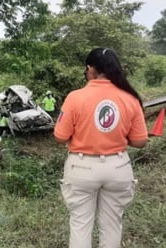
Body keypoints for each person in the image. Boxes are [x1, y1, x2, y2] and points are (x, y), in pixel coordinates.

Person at [53, 47, 148, 248]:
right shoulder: (130, 98)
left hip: (81, 168)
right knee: (113, 224)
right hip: (118, 168)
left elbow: (60, 137)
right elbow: (140, 141)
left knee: (80, 224)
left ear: (90, 69)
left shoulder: (75, 97)